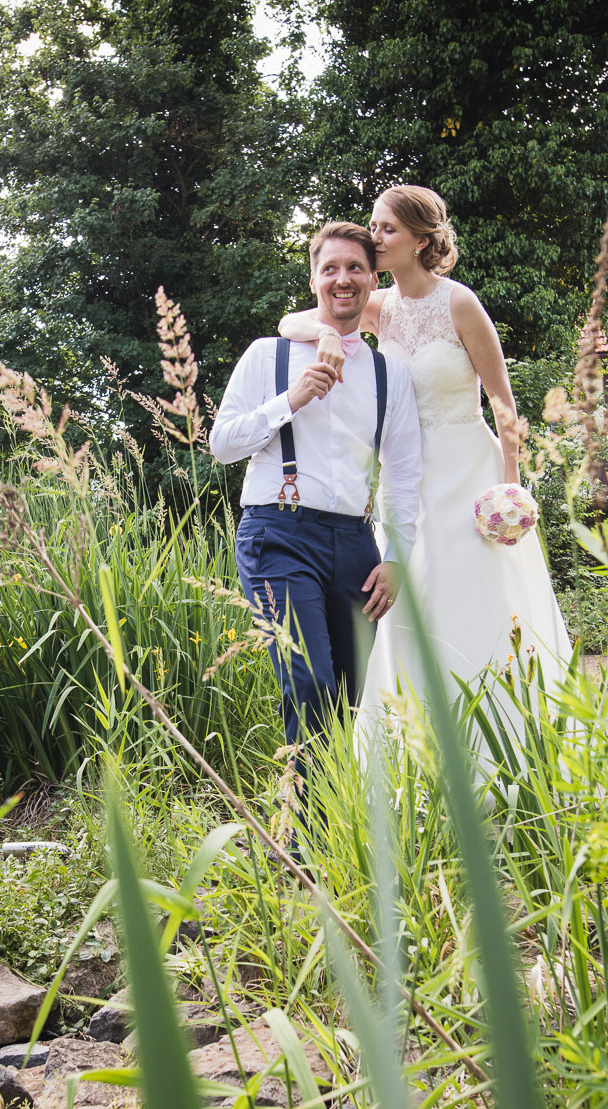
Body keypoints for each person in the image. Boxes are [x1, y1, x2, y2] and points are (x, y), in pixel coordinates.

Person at [278, 184, 572, 754]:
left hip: (469, 472)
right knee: (414, 604)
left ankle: (505, 745)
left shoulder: (459, 303)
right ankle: (424, 750)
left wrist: (509, 490)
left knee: (475, 598)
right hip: (407, 475)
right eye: (373, 225)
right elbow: (292, 321)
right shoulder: (379, 306)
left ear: (418, 239)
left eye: (386, 228)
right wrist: (327, 333)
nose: (375, 236)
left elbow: (503, 403)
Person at [211, 220, 424, 789]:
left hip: (356, 546)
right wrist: (291, 399)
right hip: (277, 534)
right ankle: (302, 835)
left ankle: (330, 822)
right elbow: (222, 443)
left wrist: (396, 555)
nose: (342, 279)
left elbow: (404, 473)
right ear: (313, 280)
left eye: (355, 268)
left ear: (373, 280)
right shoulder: (268, 356)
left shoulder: (389, 374)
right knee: (309, 682)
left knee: (349, 696)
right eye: (330, 268)